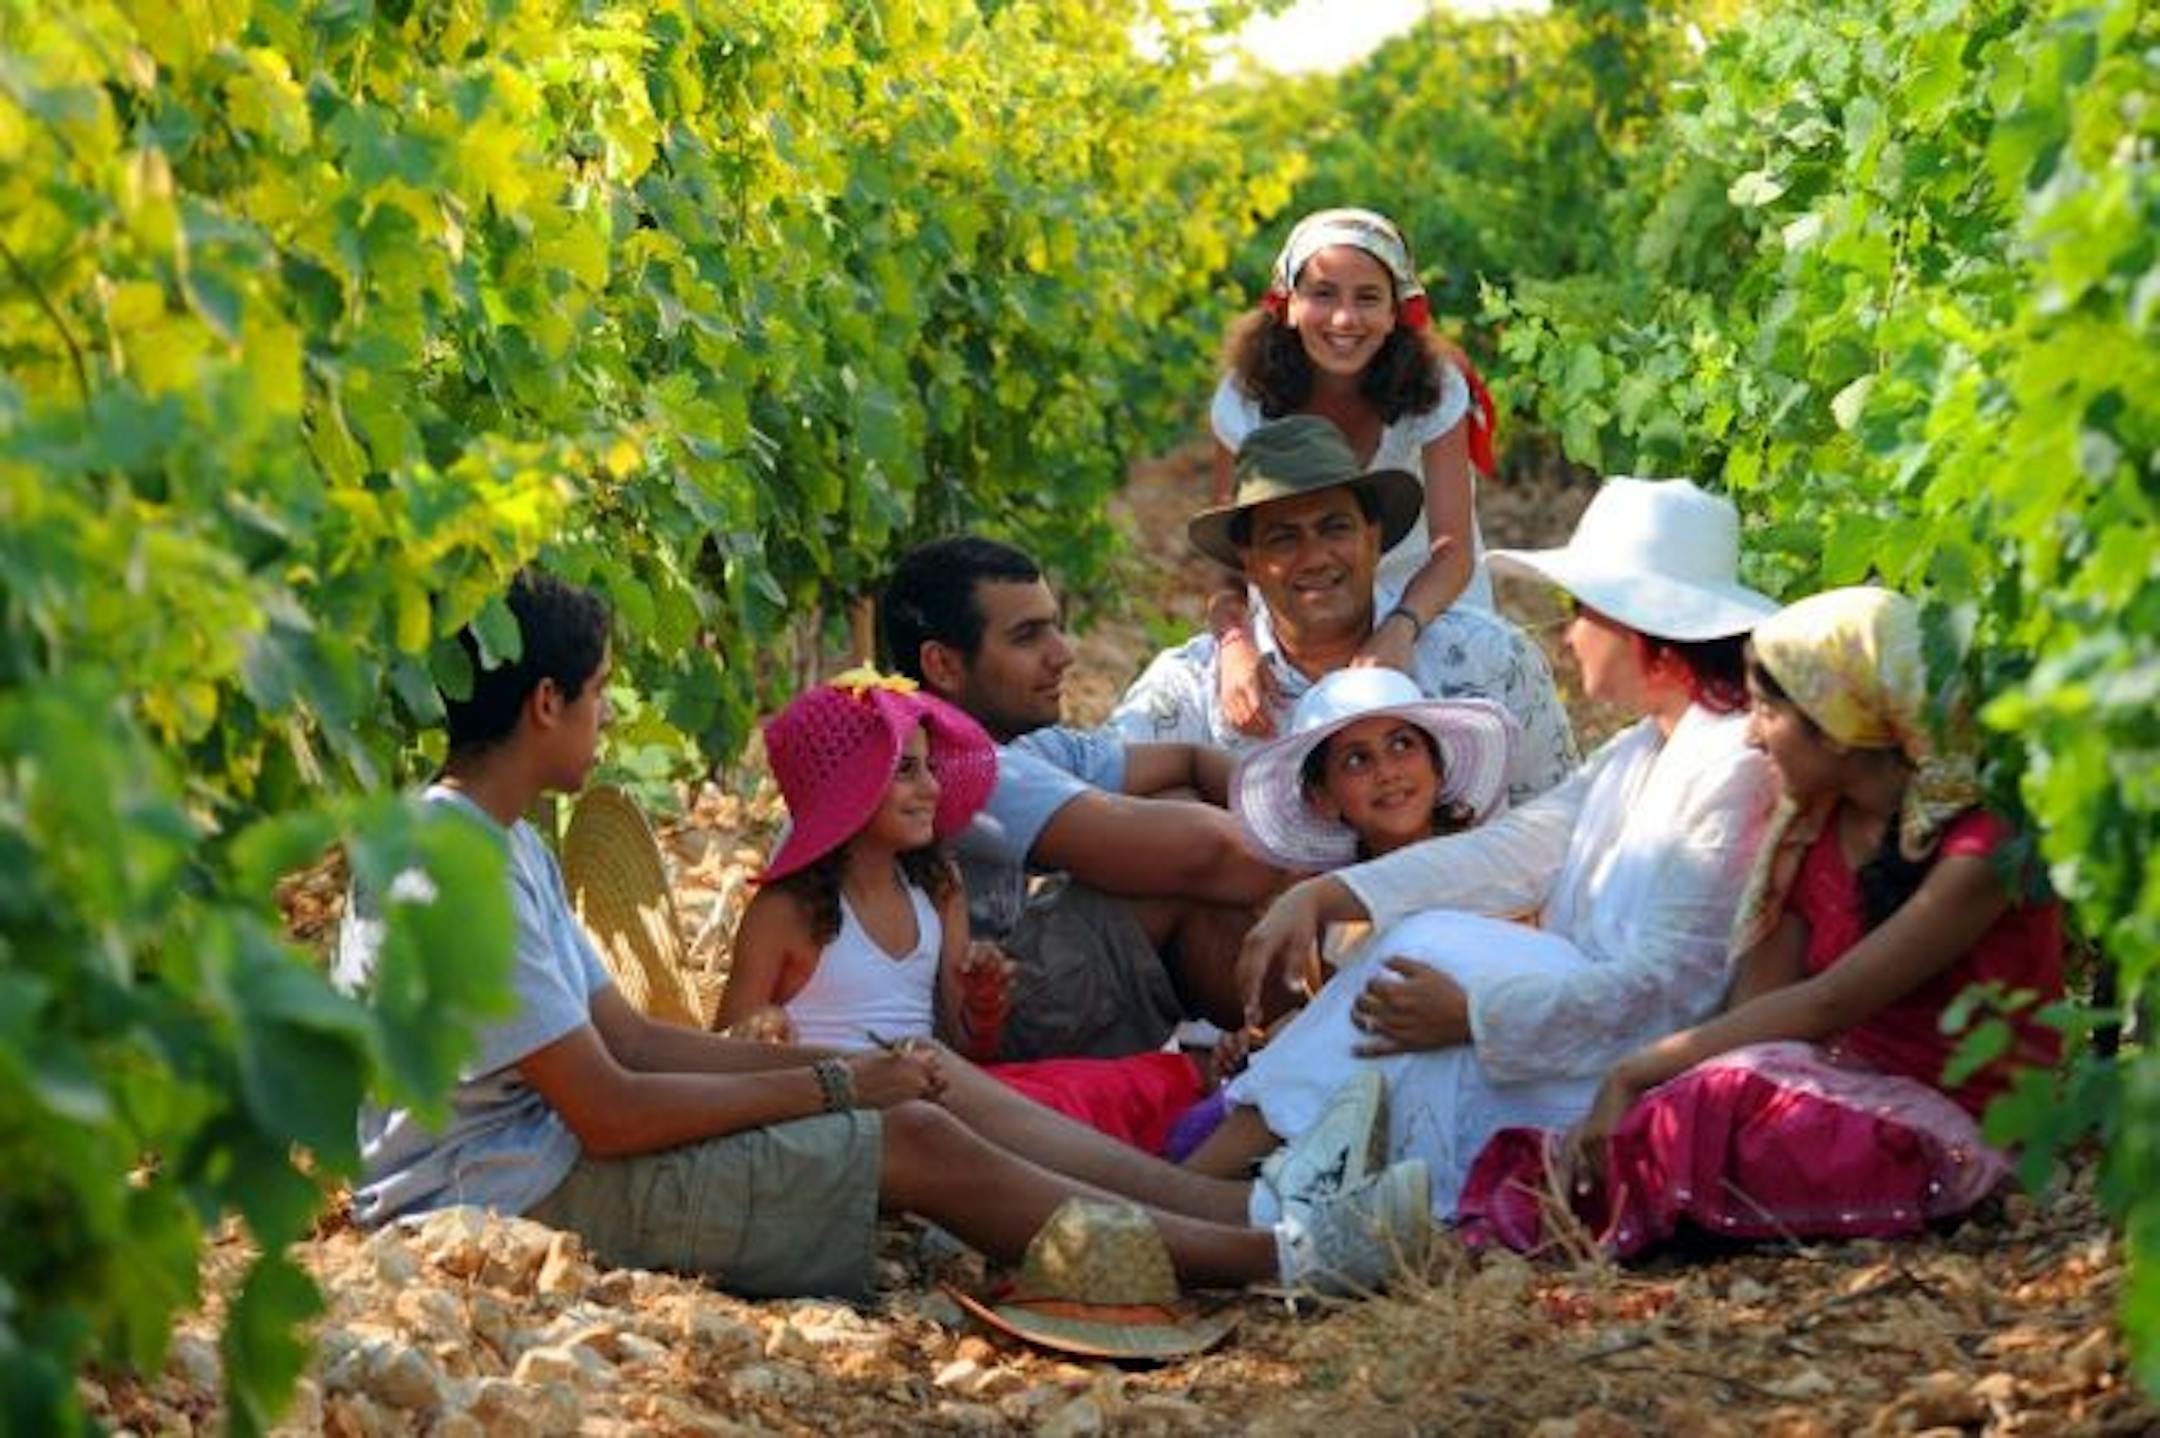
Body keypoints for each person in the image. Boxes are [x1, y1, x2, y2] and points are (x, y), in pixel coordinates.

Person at [334, 570, 1432, 1300]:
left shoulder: (501, 839)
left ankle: (1248, 1203)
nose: (607, 717)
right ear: (543, 705)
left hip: (549, 1156)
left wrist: (856, 1064)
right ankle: (1273, 1259)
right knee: (916, 1137)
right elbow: (613, 1109)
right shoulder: (455, 867)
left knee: (928, 1079)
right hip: (502, 1196)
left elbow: (629, 1036)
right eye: (600, 695)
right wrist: (836, 1092)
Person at [1227, 478, 1784, 1215]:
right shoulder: (1641, 749)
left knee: (1422, 963)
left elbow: (1672, 990)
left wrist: (1480, 1015)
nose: (1568, 635)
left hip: (1624, 1066)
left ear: (1639, 627)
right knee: (1419, 957)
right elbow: (1516, 849)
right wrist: (1327, 894)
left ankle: (1230, 1192)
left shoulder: (1729, 767)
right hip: (1577, 1029)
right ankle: (1252, 1189)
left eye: (1583, 614)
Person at [1457, 588, 2064, 1255]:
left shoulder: (1980, 848)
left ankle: (1544, 1225)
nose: (1751, 733)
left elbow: (1830, 1002)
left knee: (1717, 1102)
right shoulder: (1812, 830)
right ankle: (1515, 1215)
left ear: (1840, 726)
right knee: (1705, 1100)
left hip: (1955, 1124)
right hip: (1844, 1094)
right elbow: (1762, 1008)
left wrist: (1635, 1072)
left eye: (1769, 710)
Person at [719, 672, 1207, 1153]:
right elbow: (721, 1056)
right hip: (850, 1119)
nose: (932, 787)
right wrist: (762, 1032)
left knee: (1106, 1087)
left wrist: (984, 1004)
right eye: (906, 770)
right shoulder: (785, 912)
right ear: (848, 787)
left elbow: (968, 1046)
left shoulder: (937, 887)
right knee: (1049, 1118)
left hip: (936, 1090)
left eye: (929, 766)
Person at [880, 536, 1290, 1055]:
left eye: (1055, 625)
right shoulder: (944, 765)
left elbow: (1190, 760)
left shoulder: (1017, 743)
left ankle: (1307, 1041)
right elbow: (1209, 853)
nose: (1064, 655)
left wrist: (1296, 827)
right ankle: (1325, 1042)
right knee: (1177, 865)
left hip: (994, 983)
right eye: (1028, 637)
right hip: (945, 1036)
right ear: (942, 666)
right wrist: (1356, 865)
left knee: (1179, 799)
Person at [1110, 415, 1576, 800]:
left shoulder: (1490, 659)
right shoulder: (1189, 693)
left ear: (1373, 539)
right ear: (1248, 562)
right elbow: (1095, 802)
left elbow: (1559, 821)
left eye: (1334, 528)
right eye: (1283, 538)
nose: (1314, 557)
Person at [1165, 666, 1520, 1165]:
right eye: (1358, 760)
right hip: (1360, 1096)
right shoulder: (1329, 913)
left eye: (1402, 746)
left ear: (1437, 767)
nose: (1388, 771)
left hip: (1464, 1074)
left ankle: (1181, 1196)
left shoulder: (1492, 870)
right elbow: (1327, 1018)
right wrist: (1265, 1038)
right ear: (1323, 798)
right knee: (1201, 1129)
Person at [1206, 206, 1500, 739]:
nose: (1345, 319)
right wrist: (1235, 644)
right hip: (1301, 606)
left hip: (1425, 599)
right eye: (1323, 294)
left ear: (1396, 312)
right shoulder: (1245, 398)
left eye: (1368, 298)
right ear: (1288, 304)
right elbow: (1229, 562)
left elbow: (1452, 550)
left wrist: (1399, 630)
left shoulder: (1433, 387)